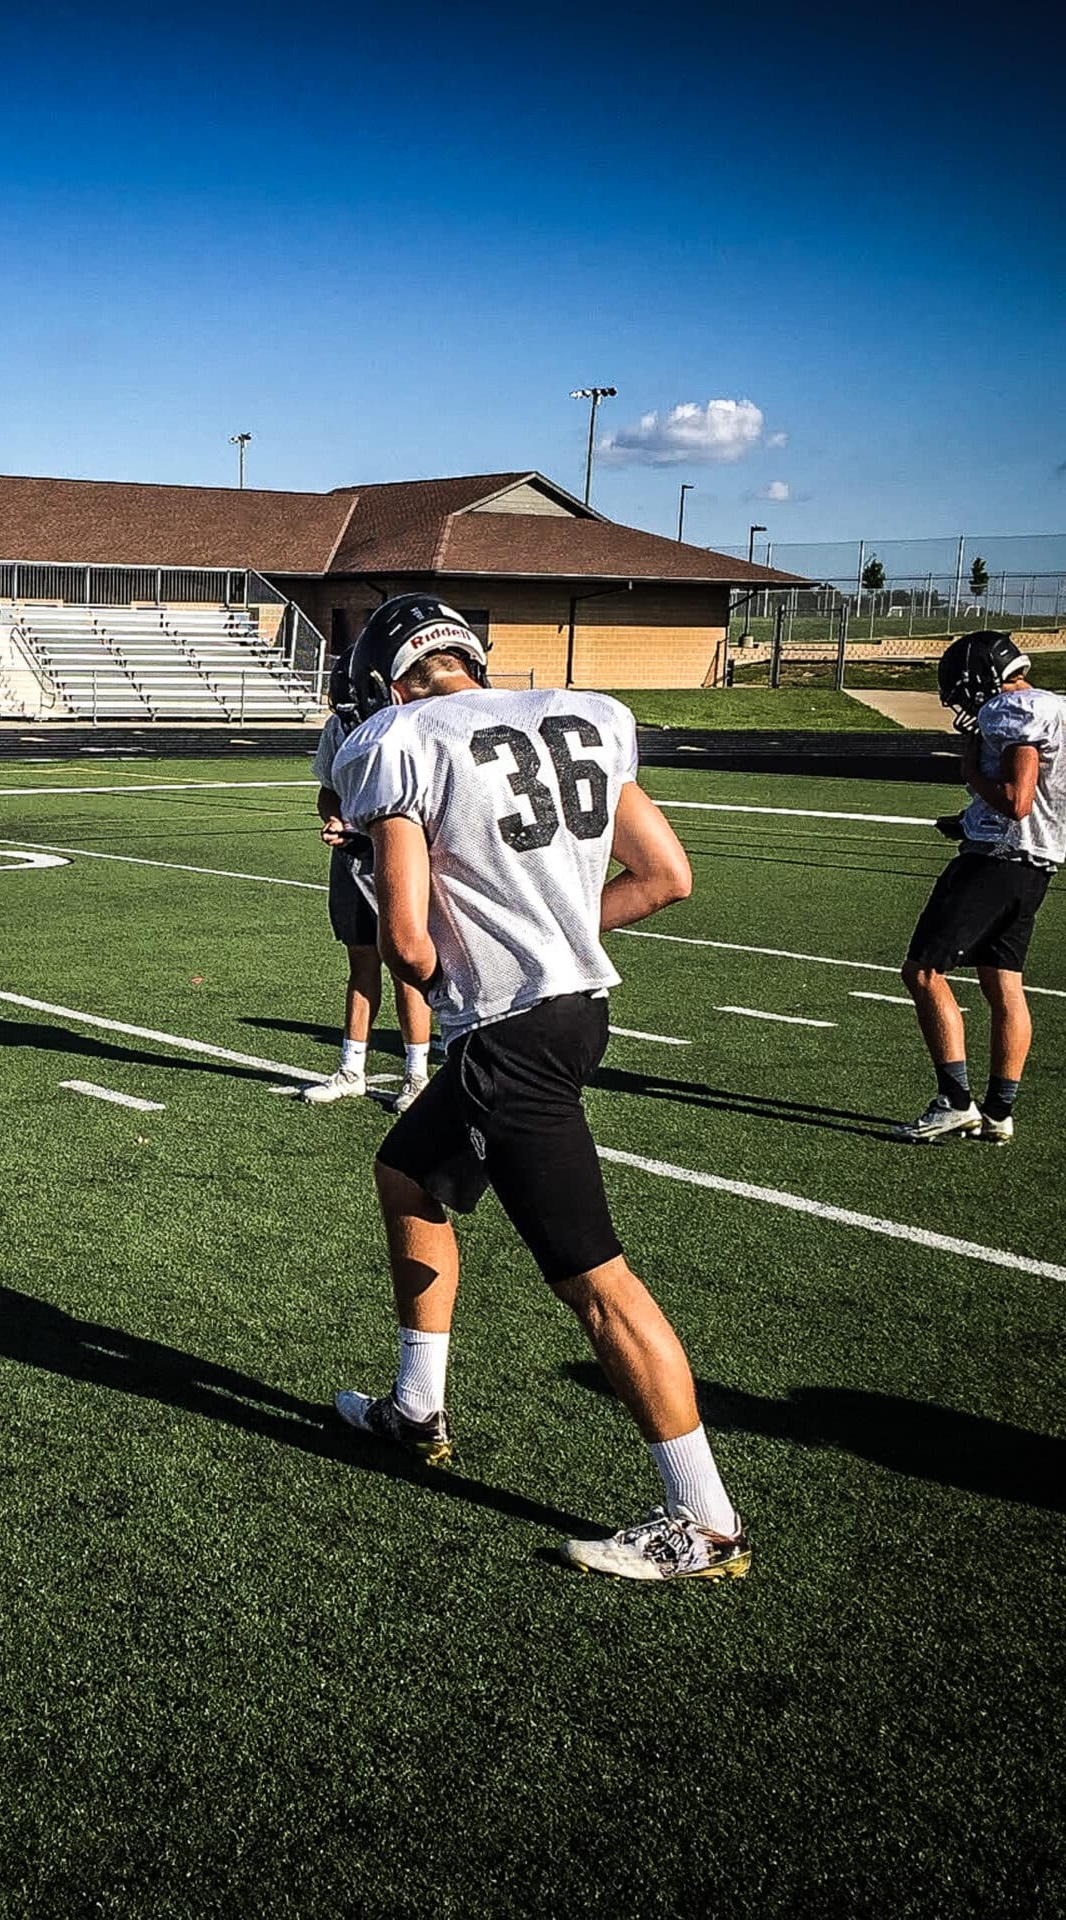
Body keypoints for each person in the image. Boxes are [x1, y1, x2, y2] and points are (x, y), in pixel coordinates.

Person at [327, 593, 749, 1582]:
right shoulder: (585, 713)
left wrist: (470, 981)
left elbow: (403, 941)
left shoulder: (401, 738)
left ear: (386, 680)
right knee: (407, 1174)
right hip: (573, 1013)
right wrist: (555, 943)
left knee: (595, 1283)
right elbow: (666, 876)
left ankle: (706, 1521)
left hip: (509, 1038)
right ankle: (415, 1402)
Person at [892, 630, 1066, 1146]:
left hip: (995, 862)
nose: (961, 702)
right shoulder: (1064, 710)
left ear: (979, 677)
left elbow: (1017, 799)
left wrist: (968, 774)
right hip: (1036, 865)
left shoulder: (1010, 711)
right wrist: (968, 819)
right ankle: (1000, 1110)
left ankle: (955, 1102)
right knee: (1003, 985)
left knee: (922, 971)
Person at [299, 655, 435, 1109]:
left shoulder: (413, 724)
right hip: (354, 858)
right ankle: (351, 1067)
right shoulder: (340, 726)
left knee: (406, 962)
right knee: (360, 960)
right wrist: (334, 819)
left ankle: (417, 1073)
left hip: (401, 856)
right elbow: (328, 789)